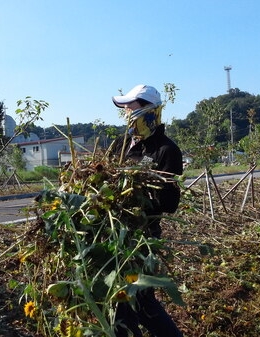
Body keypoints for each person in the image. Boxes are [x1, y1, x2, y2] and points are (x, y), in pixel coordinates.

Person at [111, 84, 183, 337]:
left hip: (142, 239)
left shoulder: (166, 150)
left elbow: (170, 204)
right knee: (119, 305)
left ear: (150, 109)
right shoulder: (122, 145)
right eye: (126, 107)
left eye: (131, 106)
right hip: (114, 235)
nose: (127, 111)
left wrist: (141, 192)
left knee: (141, 300)